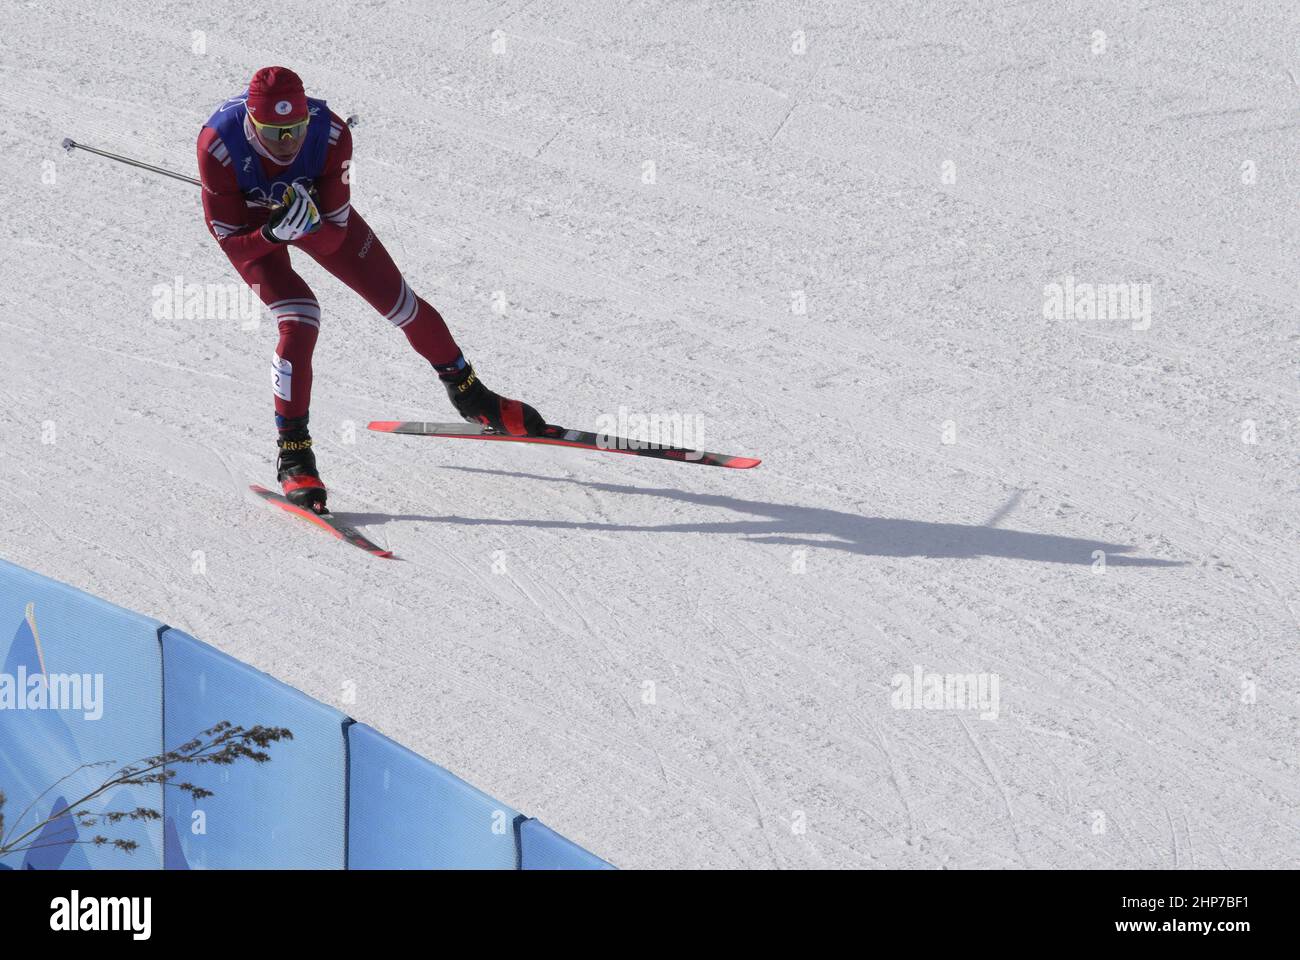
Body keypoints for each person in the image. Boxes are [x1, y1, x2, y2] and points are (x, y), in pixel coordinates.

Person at [196, 66, 544, 514]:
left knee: (402, 304)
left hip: (319, 218)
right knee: (301, 317)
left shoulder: (331, 132)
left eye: (295, 129)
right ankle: (294, 451)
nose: (288, 142)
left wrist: (306, 224)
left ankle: (471, 394)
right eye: (274, 132)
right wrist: (272, 235)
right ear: (251, 121)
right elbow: (231, 242)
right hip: (254, 228)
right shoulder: (218, 145)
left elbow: (335, 235)